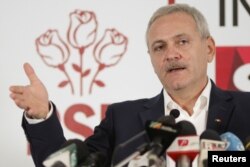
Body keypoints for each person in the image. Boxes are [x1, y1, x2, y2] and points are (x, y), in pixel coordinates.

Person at [9, 3, 250, 167]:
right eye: (159, 47)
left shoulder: (247, 109)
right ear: (152, 59)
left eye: (182, 42)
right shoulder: (122, 118)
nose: (171, 54)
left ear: (208, 49)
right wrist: (41, 117)